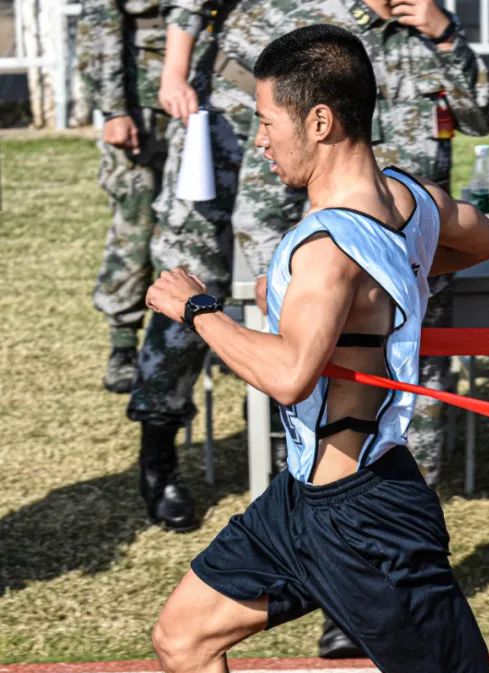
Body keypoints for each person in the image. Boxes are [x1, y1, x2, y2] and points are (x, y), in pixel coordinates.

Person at [146, 25, 489, 673]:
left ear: (319, 121)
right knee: (183, 639)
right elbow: (483, 239)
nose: (260, 141)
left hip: (365, 519)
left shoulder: (325, 250)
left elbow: (290, 375)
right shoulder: (409, 199)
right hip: (302, 503)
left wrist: (197, 309)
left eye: (267, 121)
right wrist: (386, 282)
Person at [317, 0, 489, 660]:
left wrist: (447, 35)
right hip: (340, 282)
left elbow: (487, 117)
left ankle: (404, 591)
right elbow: (281, 150)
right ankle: (347, 600)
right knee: (341, 445)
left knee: (414, 441)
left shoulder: (436, 30)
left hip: (418, 279)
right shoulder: (328, 36)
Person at [128, 0, 357, 532]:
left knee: (287, 288)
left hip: (304, 128)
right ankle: (158, 457)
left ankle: (284, 445)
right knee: (187, 284)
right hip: (221, 118)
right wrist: (174, 75)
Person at [76, 0, 170, 394]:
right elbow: (100, 22)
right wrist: (114, 110)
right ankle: (123, 343)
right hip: (141, 105)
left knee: (196, 225)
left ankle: (186, 336)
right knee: (136, 224)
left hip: (208, 98)